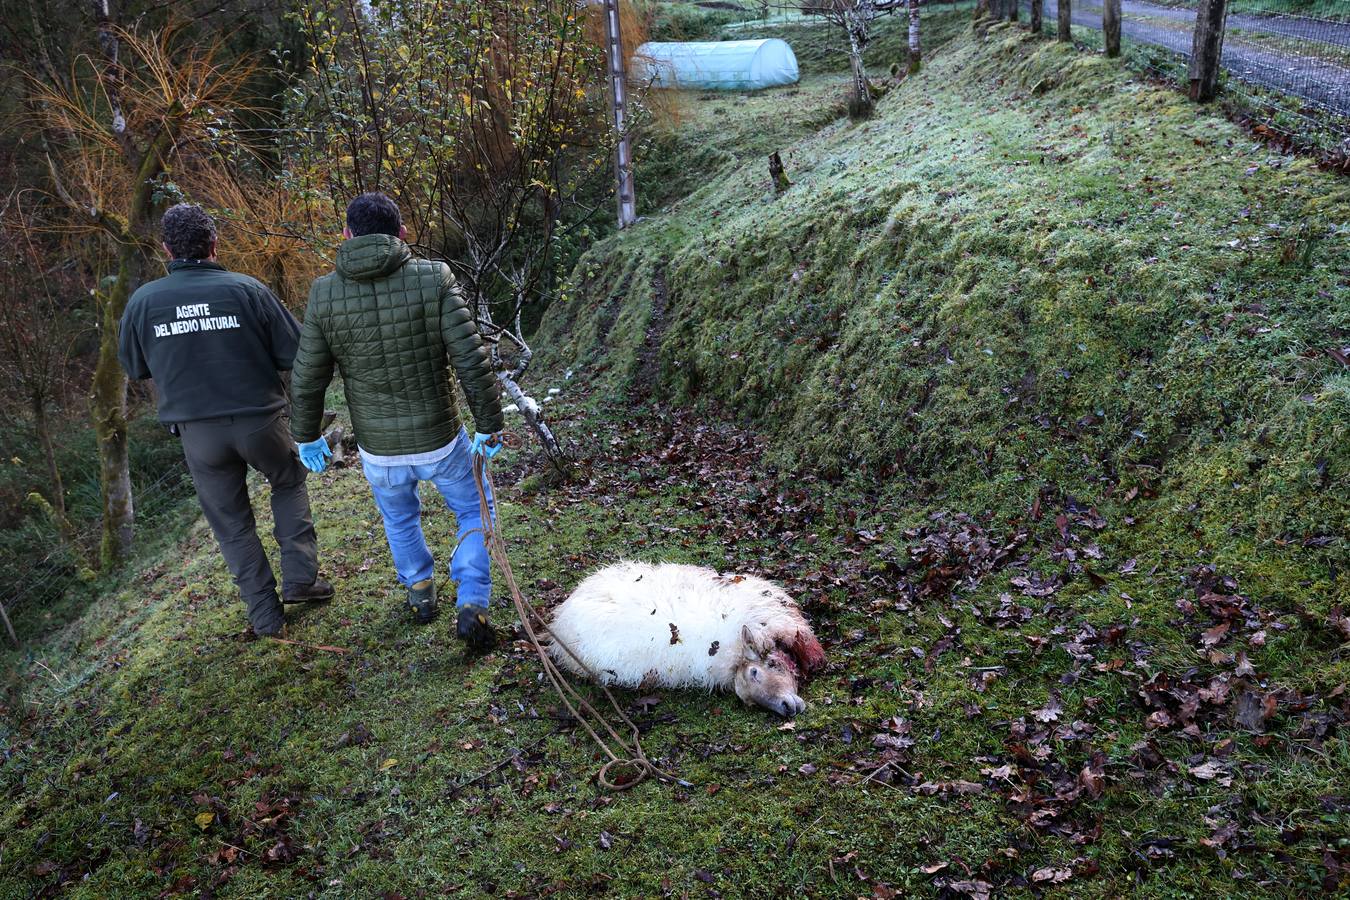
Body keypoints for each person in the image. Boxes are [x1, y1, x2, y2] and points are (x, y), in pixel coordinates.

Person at [288, 192, 504, 649]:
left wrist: (305, 436)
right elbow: (471, 359)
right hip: (441, 439)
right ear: (403, 233)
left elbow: (308, 378)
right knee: (472, 509)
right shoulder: (434, 278)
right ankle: (471, 598)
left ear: (345, 235)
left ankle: (420, 593)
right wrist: (488, 422)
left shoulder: (324, 293)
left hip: (378, 449)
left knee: (400, 519)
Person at [118, 203, 333, 638]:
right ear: (214, 244)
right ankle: (301, 579)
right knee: (288, 481)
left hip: (198, 433)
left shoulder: (142, 303)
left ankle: (265, 617)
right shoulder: (246, 289)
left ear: (166, 249)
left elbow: (135, 367)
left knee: (232, 524)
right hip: (261, 419)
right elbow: (295, 352)